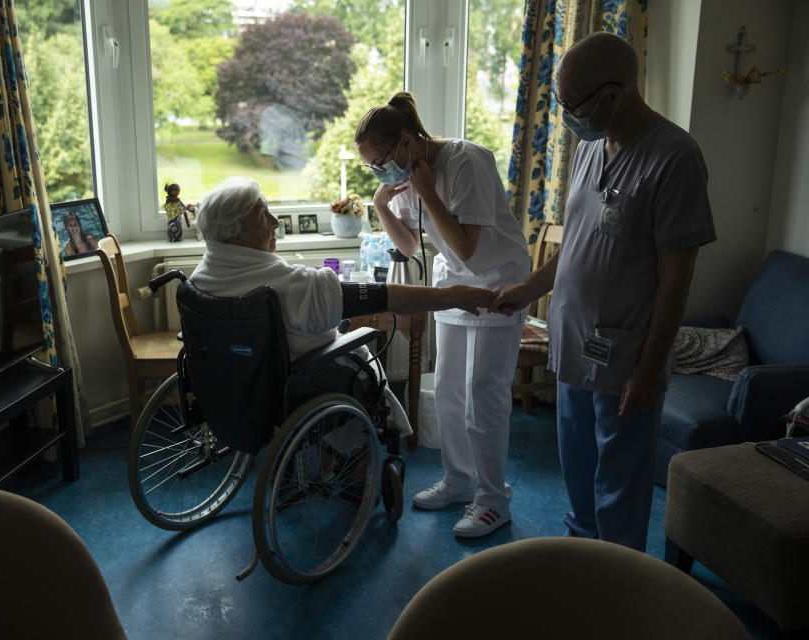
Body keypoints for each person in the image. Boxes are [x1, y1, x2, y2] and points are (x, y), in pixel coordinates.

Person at [489, 32, 716, 551]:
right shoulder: (591, 149)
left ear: (613, 96)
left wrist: (652, 365)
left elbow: (678, 279)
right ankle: (581, 559)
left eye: (573, 105)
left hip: (626, 353)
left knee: (620, 478)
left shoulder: (675, 158)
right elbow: (576, 246)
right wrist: (526, 288)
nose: (567, 116)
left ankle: (618, 578)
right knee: (578, 469)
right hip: (572, 342)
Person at [191, 176, 499, 436]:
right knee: (363, 361)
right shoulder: (287, 286)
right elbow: (384, 296)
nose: (275, 222)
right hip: (293, 388)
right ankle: (353, 463)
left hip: (234, 385)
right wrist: (449, 296)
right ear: (235, 232)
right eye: (262, 216)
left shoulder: (201, 280)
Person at [354, 91, 531, 538]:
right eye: (371, 167)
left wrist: (428, 191)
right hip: (452, 286)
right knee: (449, 387)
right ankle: (458, 479)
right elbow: (411, 246)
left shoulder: (467, 160)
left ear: (408, 143)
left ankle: (493, 499)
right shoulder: (412, 174)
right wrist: (380, 206)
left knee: (483, 394)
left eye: (380, 162)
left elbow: (468, 248)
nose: (379, 171)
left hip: (497, 284)